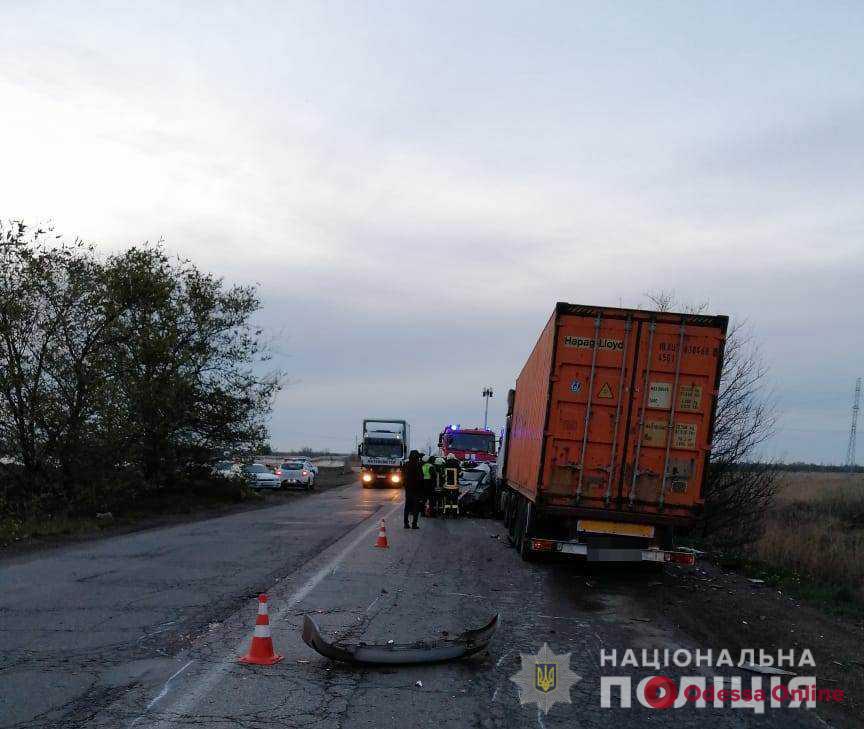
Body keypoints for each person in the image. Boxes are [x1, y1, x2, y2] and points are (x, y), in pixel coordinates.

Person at [403, 450, 424, 529]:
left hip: (408, 489)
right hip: (416, 490)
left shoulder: (406, 465)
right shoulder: (418, 465)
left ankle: (406, 523)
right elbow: (421, 478)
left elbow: (403, 476)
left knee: (407, 507)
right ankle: (414, 524)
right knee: (416, 507)